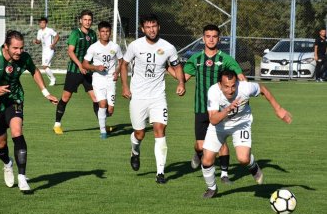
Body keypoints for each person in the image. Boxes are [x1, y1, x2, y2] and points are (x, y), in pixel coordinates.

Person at [0, 30, 58, 193]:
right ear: (6, 46)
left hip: (14, 99)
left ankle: (22, 176)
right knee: (0, 143)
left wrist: (46, 93)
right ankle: (7, 163)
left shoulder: (24, 57)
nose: (19, 52)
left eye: (21, 48)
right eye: (15, 48)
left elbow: (34, 71)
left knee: (17, 131)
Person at [200, 69, 292, 198]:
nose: (230, 90)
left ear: (237, 83)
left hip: (241, 124)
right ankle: (212, 188)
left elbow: (263, 89)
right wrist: (227, 109)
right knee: (207, 160)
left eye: (233, 86)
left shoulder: (245, 87)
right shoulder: (213, 92)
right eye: (226, 86)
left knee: (243, 159)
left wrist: (278, 109)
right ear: (220, 84)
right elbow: (213, 120)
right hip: (219, 126)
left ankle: (253, 166)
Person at [120, 14, 186, 184]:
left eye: (154, 26)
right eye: (148, 27)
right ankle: (135, 151)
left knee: (160, 130)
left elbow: (176, 66)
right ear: (143, 29)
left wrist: (181, 83)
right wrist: (125, 86)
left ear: (159, 27)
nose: (151, 29)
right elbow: (124, 64)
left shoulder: (168, 47)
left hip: (158, 96)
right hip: (138, 96)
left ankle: (160, 173)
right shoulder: (135, 46)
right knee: (139, 133)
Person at [182, 24, 246, 184]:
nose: (211, 39)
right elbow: (183, 77)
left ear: (219, 38)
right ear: (203, 38)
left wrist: (243, 83)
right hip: (201, 107)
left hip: (220, 109)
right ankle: (197, 153)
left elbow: (239, 74)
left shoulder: (225, 59)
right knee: (200, 145)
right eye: (208, 36)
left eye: (214, 36)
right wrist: (169, 70)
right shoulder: (195, 59)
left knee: (221, 141)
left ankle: (224, 174)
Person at [53, 10, 98, 135]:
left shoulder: (93, 34)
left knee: (96, 98)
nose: (87, 22)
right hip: (74, 71)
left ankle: (103, 125)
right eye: (85, 19)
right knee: (66, 97)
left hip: (88, 72)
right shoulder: (75, 33)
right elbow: (70, 51)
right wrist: (80, 65)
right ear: (80, 20)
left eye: (89, 20)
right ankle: (57, 124)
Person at [82, 21, 123, 139]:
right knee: (103, 104)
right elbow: (84, 64)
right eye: (103, 31)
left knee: (110, 110)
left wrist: (117, 72)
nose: (105, 34)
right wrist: (96, 67)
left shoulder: (115, 47)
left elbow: (121, 61)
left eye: (107, 31)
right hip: (98, 79)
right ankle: (103, 131)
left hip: (111, 80)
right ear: (99, 33)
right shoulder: (93, 47)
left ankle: (104, 120)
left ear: (110, 32)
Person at [33, 17, 60, 86]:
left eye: (43, 22)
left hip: (50, 50)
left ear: (46, 23)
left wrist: (53, 44)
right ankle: (52, 79)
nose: (42, 24)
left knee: (45, 66)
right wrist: (36, 41)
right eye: (41, 23)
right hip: (44, 51)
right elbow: (39, 41)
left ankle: (53, 79)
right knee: (44, 67)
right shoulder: (39, 31)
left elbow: (57, 36)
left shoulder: (49, 30)